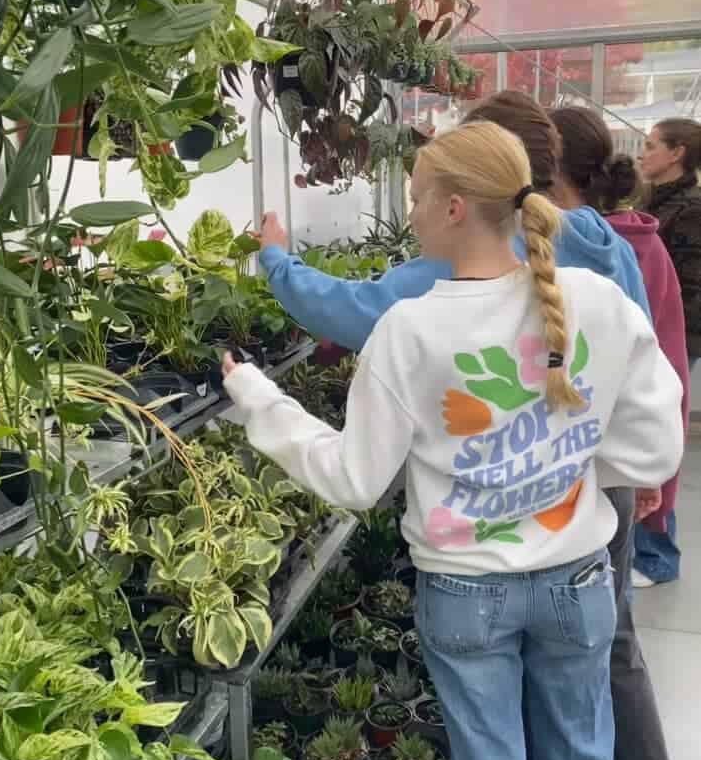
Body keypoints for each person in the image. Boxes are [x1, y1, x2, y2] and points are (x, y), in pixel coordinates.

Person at [224, 121, 684, 760]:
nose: (407, 216)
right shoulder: (599, 302)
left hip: (465, 596)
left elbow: (354, 478)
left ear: (453, 209)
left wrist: (261, 400)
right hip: (578, 584)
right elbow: (654, 445)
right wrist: (565, 470)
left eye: (415, 200)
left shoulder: (409, 330)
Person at [259, 91, 651, 352]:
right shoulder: (608, 243)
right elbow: (645, 358)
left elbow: (360, 312)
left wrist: (278, 261)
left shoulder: (476, 251)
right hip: (588, 467)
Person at [550, 107, 690, 592]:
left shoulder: (621, 248)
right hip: (611, 454)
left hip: (584, 458)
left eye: (655, 143)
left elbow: (662, 367)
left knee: (604, 601)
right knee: (611, 608)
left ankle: (657, 555)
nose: (646, 151)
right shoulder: (637, 243)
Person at [639, 118, 701, 370]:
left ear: (676, 153)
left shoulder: (692, 210)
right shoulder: (653, 203)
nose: (641, 155)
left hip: (672, 339)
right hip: (651, 329)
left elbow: (689, 288)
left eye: (650, 146)